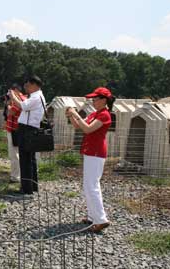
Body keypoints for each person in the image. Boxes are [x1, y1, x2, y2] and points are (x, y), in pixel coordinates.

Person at [66, 87, 115, 233]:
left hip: (96, 152)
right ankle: (93, 216)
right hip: (91, 152)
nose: (93, 101)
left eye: (95, 99)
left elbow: (87, 129)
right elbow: (78, 126)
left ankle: (101, 219)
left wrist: (75, 113)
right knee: (88, 185)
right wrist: (71, 115)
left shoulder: (105, 115)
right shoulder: (95, 113)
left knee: (92, 185)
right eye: (92, 99)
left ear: (104, 100)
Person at [9, 75, 46, 194]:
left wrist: (13, 96)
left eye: (28, 85)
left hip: (27, 130)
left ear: (35, 85)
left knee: (25, 159)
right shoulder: (37, 96)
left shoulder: (36, 97)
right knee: (31, 159)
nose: (26, 88)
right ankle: (32, 186)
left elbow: (23, 106)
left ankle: (26, 188)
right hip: (31, 129)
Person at [5, 84, 27, 182]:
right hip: (16, 129)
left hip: (14, 130)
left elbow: (11, 112)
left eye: (11, 92)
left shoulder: (19, 100)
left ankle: (15, 176)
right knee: (16, 152)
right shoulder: (23, 98)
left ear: (16, 90)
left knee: (14, 154)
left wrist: (9, 104)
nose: (9, 94)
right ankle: (18, 174)